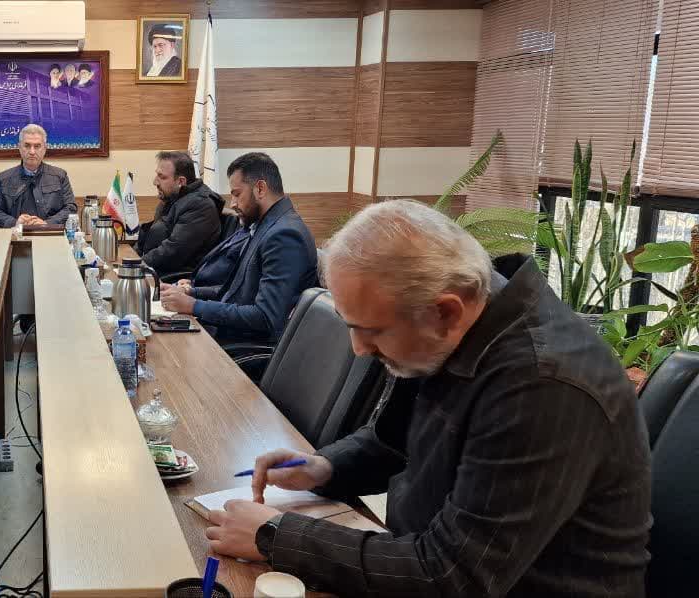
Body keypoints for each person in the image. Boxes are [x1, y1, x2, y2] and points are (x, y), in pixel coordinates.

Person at [204, 200, 652, 597]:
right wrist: (324, 468)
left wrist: (276, 535)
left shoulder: (542, 386)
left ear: (446, 311)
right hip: (429, 554)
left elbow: (454, 577)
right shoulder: (457, 325)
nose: (359, 349)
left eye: (371, 330)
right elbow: (390, 442)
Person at [159, 152, 317, 346]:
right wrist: (191, 293)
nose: (233, 204)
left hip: (244, 347)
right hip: (228, 333)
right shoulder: (264, 226)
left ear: (260, 189)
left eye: (237, 194)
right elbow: (235, 291)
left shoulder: (284, 235)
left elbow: (265, 317)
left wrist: (194, 306)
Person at [136, 151, 224, 282]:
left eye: (162, 177)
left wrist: (135, 265)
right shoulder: (173, 199)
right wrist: (132, 258)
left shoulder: (200, 205)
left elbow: (173, 251)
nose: (155, 182)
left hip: (176, 280)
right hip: (155, 270)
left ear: (181, 181)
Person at [0, 124, 76, 228]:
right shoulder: (3, 178)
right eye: (27, 146)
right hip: (15, 234)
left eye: (37, 146)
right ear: (19, 147)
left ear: (45, 148)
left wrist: (47, 224)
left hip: (50, 234)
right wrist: (15, 223)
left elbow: (70, 208)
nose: (32, 152)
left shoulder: (60, 176)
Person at [176, 212, 248, 296]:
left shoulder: (255, 239)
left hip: (207, 297)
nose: (233, 205)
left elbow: (234, 289)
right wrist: (190, 282)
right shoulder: (244, 229)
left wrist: (193, 291)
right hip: (194, 286)